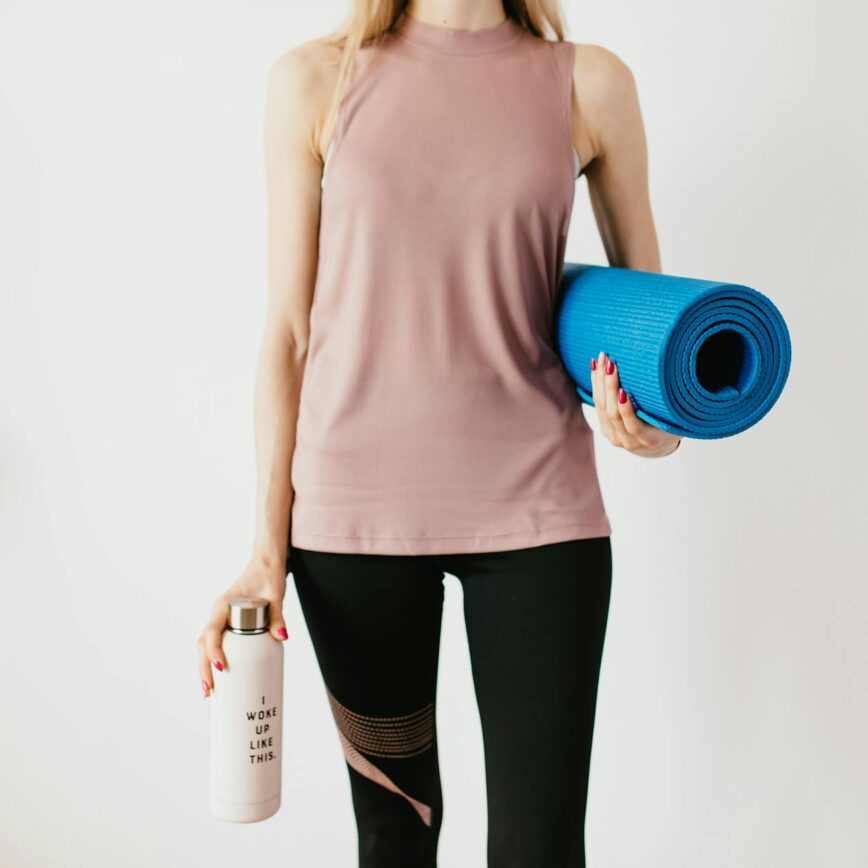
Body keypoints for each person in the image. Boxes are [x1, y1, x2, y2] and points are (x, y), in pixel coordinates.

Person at [197, 1, 681, 864]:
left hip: (541, 516)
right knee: (395, 835)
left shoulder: (590, 84)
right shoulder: (317, 79)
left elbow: (657, 330)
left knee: (540, 851)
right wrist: (267, 550)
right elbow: (288, 333)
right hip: (352, 525)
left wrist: (657, 432)